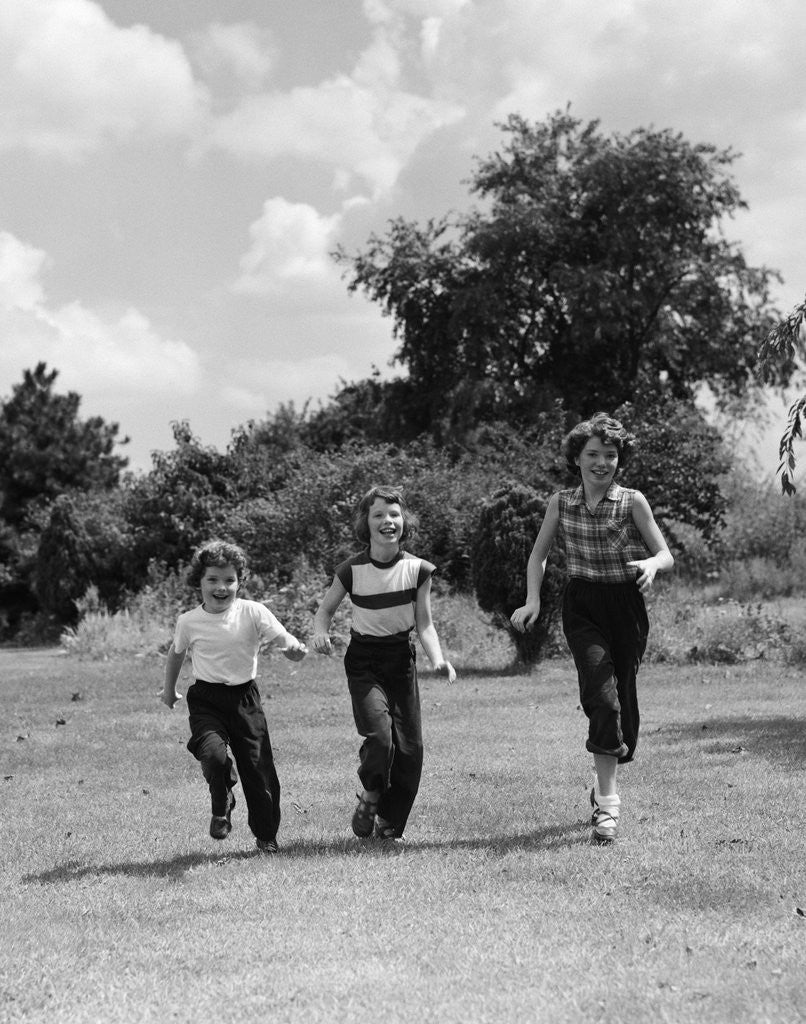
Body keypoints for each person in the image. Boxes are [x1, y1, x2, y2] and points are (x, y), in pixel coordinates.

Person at [510, 413, 673, 843]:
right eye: (593, 455)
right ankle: (608, 808)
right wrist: (533, 599)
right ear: (577, 458)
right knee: (601, 699)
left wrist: (653, 565)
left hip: (626, 607)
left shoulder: (632, 501)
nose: (602, 462)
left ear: (619, 459)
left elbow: (665, 554)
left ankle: (604, 780)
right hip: (582, 605)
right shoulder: (561, 503)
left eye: (610, 455)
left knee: (625, 711)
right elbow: (538, 556)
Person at [312, 485, 456, 844]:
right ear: (366, 522)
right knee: (380, 738)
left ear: (404, 521)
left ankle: (390, 823)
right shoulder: (351, 569)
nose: (387, 521)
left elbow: (425, 623)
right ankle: (372, 793)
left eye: (394, 514)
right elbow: (325, 609)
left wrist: (438, 660)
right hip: (364, 661)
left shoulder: (418, 569)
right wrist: (320, 632)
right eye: (378, 514)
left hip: (400, 661)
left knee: (410, 749)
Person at [161, 540, 307, 854]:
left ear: (239, 580)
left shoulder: (253, 612)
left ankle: (266, 835)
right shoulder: (189, 621)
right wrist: (168, 689)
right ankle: (222, 799)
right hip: (206, 699)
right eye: (213, 579)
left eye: (229, 579)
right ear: (198, 581)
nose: (222, 587)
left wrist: (293, 648)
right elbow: (176, 655)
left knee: (258, 770)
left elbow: (282, 637)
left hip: (245, 700)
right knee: (213, 755)